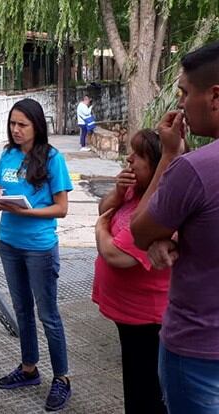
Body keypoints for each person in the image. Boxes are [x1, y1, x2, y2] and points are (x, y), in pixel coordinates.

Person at [131, 41, 219, 413]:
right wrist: (186, 234)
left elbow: (141, 231)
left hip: (199, 352)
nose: (180, 104)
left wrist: (168, 156)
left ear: (214, 96)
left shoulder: (195, 169)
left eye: (184, 93)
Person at [0, 98, 73, 411]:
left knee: (48, 315)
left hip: (39, 246)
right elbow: (0, 191)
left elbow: (61, 209)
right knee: (21, 310)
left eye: (23, 124)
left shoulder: (52, 158)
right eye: (13, 124)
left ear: (37, 126)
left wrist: (29, 211)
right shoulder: (8, 155)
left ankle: (62, 378)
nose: (17, 130)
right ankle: (28, 369)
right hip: (8, 241)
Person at [93, 129, 169, 413]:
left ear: (158, 164)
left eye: (138, 156)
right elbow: (104, 207)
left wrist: (100, 228)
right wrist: (117, 192)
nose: (129, 159)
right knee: (135, 386)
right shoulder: (136, 192)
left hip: (147, 320)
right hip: (128, 317)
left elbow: (115, 253)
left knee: (147, 394)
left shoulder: (159, 206)